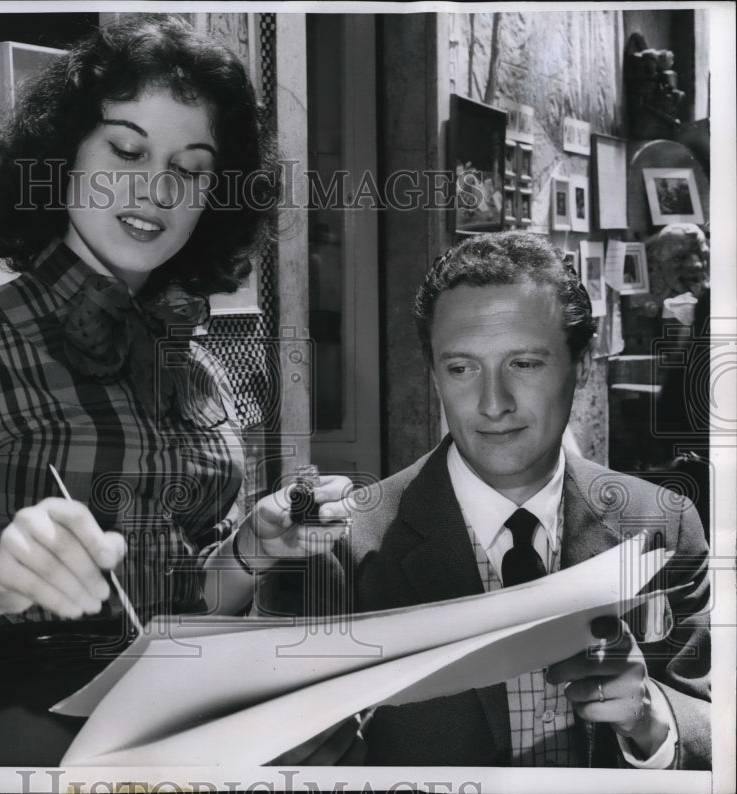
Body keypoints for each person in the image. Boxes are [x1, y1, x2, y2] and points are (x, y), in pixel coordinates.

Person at [0, 16, 340, 767]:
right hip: (30, 750)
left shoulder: (192, 368)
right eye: (127, 149)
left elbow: (179, 607)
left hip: (188, 748)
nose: (156, 189)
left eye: (191, 167)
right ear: (63, 153)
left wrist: (247, 550)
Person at [255, 231, 711, 769]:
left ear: (583, 366)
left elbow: (712, 727)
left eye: (525, 363)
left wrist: (652, 719)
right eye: (462, 368)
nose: (493, 404)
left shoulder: (662, 522)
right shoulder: (346, 543)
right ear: (433, 375)